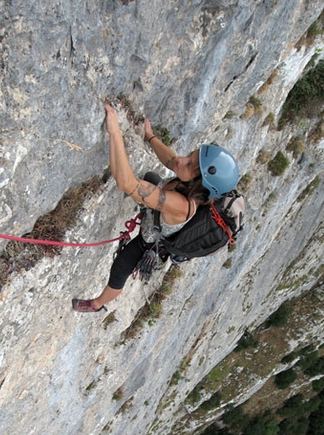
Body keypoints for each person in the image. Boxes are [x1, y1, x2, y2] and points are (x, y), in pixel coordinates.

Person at [72, 103, 239, 313]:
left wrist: (115, 132)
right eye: (190, 155)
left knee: (120, 268)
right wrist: (150, 137)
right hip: (157, 211)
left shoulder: (182, 206)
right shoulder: (189, 181)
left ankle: (96, 304)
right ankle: (147, 198)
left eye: (189, 165)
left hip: (149, 239)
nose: (182, 160)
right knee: (151, 177)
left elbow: (126, 183)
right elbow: (171, 160)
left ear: (200, 184)